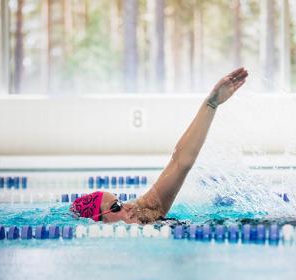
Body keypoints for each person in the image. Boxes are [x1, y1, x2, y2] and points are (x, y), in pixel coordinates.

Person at [71, 68, 248, 224]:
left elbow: (180, 163)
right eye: (116, 206)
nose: (128, 206)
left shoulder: (145, 213)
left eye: (120, 201)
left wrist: (211, 104)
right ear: (97, 222)